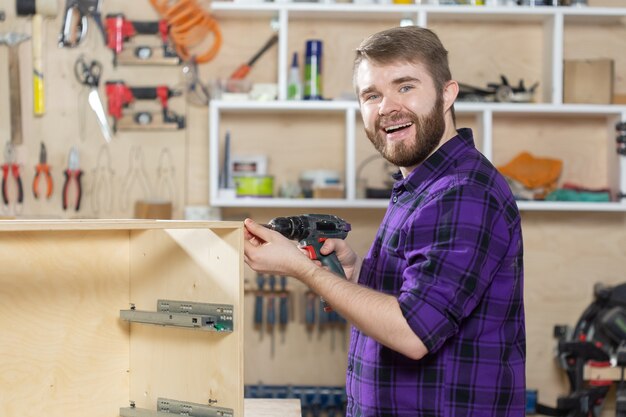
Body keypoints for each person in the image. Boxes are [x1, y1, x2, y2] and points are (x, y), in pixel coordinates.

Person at [243, 25, 525, 417]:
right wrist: (357, 274)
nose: (387, 108)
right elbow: (415, 294)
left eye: (405, 87)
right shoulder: (420, 186)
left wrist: (302, 271)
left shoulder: (463, 192)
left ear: (447, 94)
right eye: (371, 95)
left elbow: (413, 332)